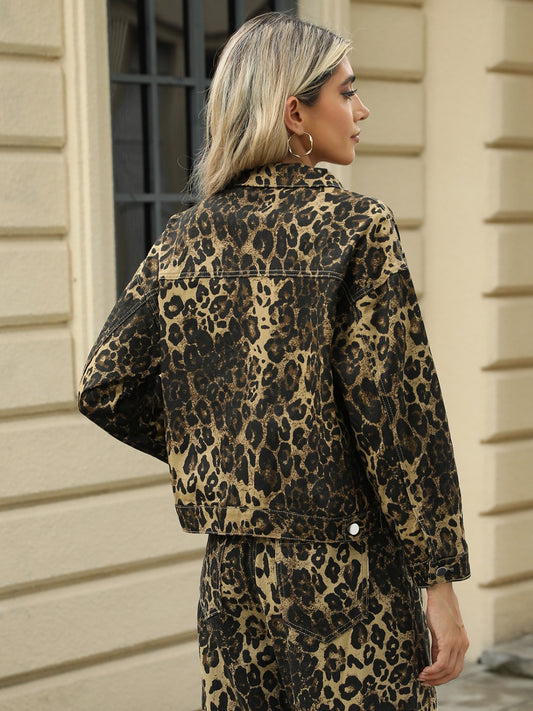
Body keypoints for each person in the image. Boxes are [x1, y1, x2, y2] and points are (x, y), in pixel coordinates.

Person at [78, 11, 470, 711]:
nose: (361, 110)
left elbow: (105, 384)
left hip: (233, 573)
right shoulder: (356, 228)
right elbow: (397, 420)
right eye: (347, 91)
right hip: (349, 577)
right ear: (295, 113)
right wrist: (437, 581)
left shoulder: (185, 237)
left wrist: (222, 449)